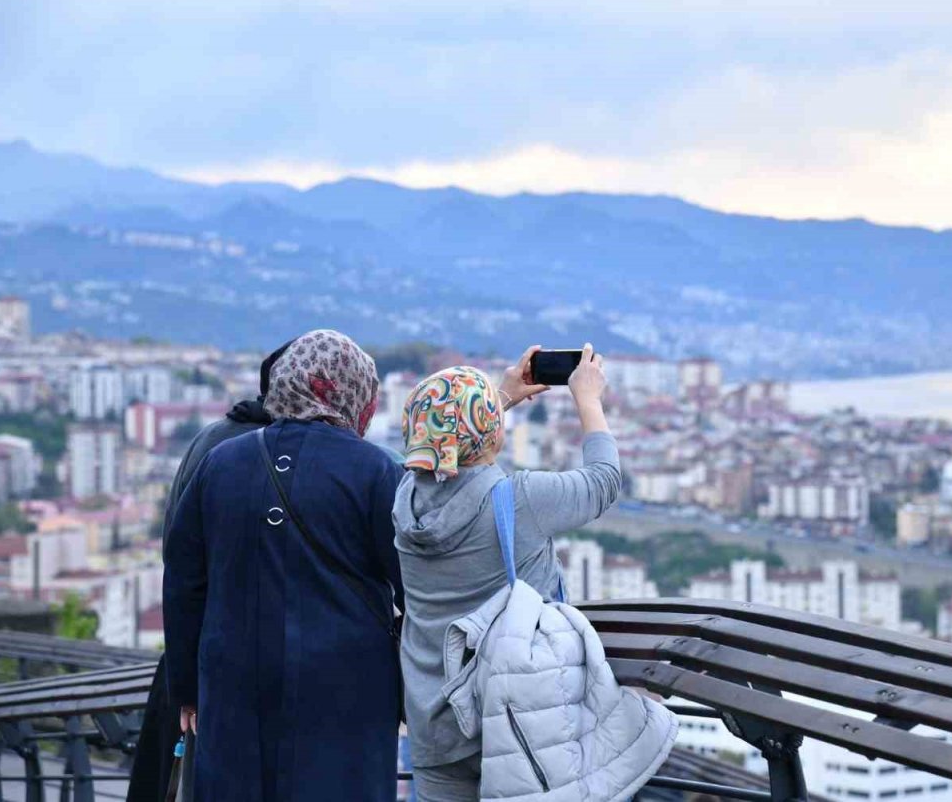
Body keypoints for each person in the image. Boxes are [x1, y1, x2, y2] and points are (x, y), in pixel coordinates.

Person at [164, 330, 405, 802]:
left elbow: (184, 581)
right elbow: (413, 585)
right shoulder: (377, 471)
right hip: (347, 690)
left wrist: (188, 689)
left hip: (234, 685)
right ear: (344, 390)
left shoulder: (220, 463)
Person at [392, 344, 621, 801]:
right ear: (493, 433)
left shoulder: (405, 502)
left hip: (434, 721)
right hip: (515, 718)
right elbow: (604, 481)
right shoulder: (521, 499)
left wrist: (502, 395)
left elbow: (448, 444)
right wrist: (588, 400)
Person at [126, 338, 295, 802]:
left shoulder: (212, 437)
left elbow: (178, 559)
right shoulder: (265, 453)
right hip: (239, 663)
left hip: (198, 655)